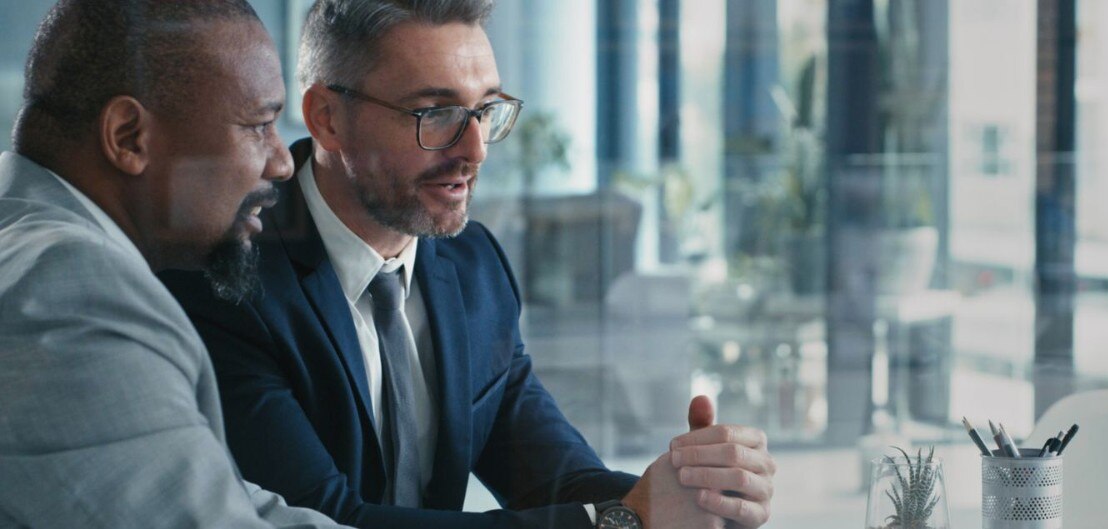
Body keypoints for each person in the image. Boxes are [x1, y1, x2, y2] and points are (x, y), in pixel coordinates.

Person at [160, 0, 776, 528]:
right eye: (435, 114)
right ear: (327, 118)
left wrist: (689, 492)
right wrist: (623, 520)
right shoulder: (223, 274)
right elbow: (327, 518)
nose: (475, 149)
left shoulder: (473, 264)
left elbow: (553, 476)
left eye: (485, 109)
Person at [0, 1, 353, 527]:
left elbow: (230, 501)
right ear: (128, 137)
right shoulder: (69, 291)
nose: (282, 163)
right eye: (259, 125)